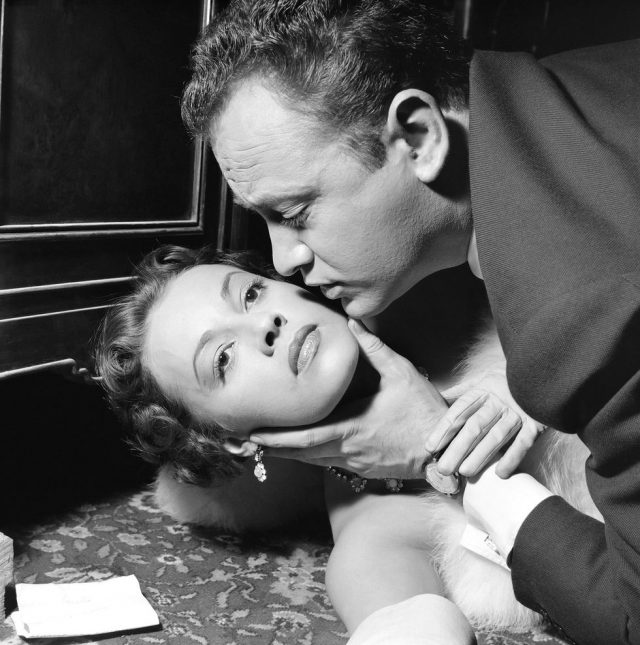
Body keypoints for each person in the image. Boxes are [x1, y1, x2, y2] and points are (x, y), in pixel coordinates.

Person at [179, 2, 640, 644]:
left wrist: (443, 453)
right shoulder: (562, 95)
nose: (284, 262)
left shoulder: (574, 308)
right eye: (221, 359)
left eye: (296, 212)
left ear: (419, 138)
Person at [95, 244, 596, 643]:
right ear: (234, 440)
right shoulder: (369, 537)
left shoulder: (428, 260)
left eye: (250, 294)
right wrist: (437, 458)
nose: (264, 325)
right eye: (223, 358)